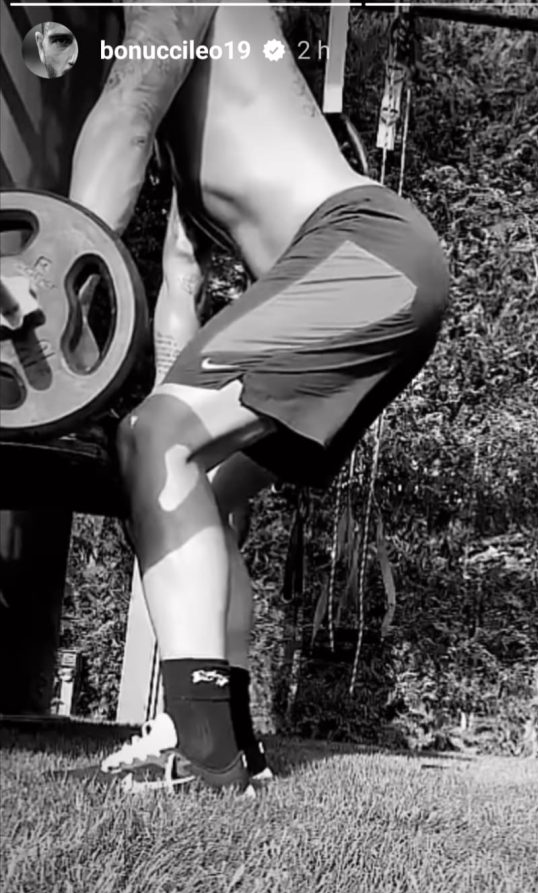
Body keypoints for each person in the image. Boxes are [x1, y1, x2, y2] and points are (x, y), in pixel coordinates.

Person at [69, 1, 449, 793]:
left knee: (153, 439)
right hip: (373, 270)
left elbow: (124, 116)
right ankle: (232, 742)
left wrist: (60, 300)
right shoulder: (200, 117)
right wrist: (156, 411)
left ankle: (201, 746)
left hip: (361, 254)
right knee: (192, 485)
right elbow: (180, 280)